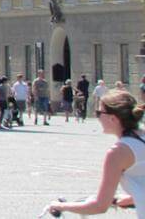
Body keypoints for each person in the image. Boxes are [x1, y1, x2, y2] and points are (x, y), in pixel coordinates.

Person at [45, 88, 145, 216]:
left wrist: (60, 206)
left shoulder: (118, 152)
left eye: (99, 113)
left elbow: (99, 206)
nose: (98, 118)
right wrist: (131, 198)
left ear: (113, 118)